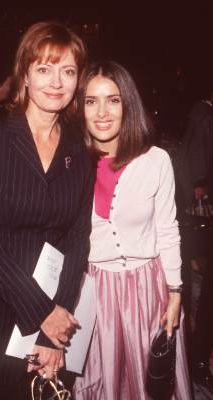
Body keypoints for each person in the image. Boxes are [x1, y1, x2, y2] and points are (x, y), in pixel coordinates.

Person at [0, 21, 94, 400]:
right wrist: (42, 312)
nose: (56, 82)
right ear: (25, 74)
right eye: (44, 69)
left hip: (57, 313)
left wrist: (58, 318)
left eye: (67, 71)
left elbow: (77, 238)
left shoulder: (78, 147)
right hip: (0, 309)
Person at [72, 61, 192, 399]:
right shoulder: (71, 163)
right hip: (96, 294)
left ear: (128, 103)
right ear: (79, 107)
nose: (102, 112)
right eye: (91, 101)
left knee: (151, 382)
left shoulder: (156, 161)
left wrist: (175, 292)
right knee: (105, 383)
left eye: (113, 99)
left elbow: (168, 230)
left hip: (148, 289)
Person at [175, 86, 213, 392]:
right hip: (198, 208)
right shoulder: (204, 112)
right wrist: (200, 187)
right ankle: (195, 361)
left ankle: (197, 360)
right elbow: (199, 157)